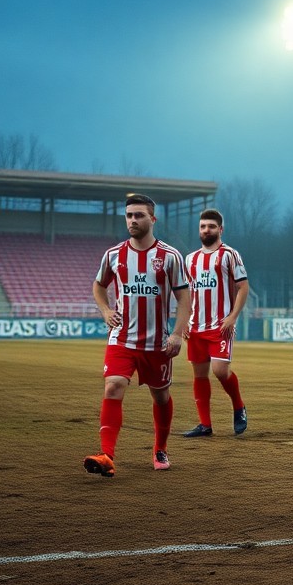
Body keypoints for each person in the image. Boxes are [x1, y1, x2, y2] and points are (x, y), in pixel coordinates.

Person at [83, 194, 190, 477]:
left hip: (157, 343)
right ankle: (106, 455)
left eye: (139, 215)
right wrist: (106, 310)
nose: (133, 220)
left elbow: (184, 298)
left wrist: (178, 334)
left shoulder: (170, 256)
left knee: (161, 396)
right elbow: (98, 285)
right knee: (113, 386)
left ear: (152, 219)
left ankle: (160, 448)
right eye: (129, 215)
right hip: (121, 339)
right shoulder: (113, 255)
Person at [181, 208, 250, 438]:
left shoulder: (230, 255)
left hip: (221, 326)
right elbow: (188, 294)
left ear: (220, 229)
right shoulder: (190, 259)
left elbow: (243, 288)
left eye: (211, 226)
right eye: (202, 226)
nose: (206, 230)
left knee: (220, 371)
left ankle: (239, 407)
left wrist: (232, 317)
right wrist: (184, 321)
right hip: (195, 327)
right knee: (199, 375)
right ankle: (205, 424)